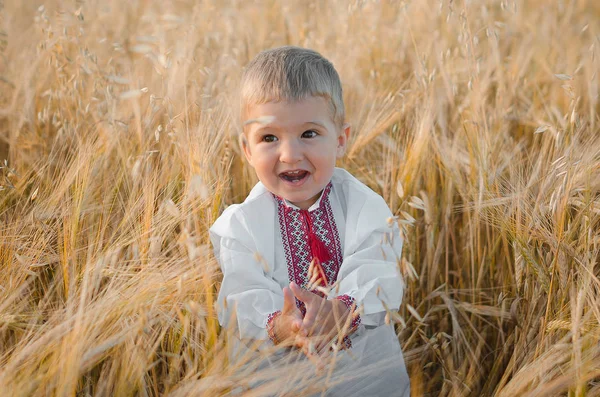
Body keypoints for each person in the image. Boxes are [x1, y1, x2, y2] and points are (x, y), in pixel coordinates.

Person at [210, 46, 410, 396]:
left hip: (363, 375)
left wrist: (342, 311)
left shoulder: (366, 207)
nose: (290, 154)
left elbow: (377, 270)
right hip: (277, 380)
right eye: (269, 138)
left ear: (341, 139)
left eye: (309, 134)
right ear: (247, 149)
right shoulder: (241, 224)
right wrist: (281, 325)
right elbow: (242, 294)